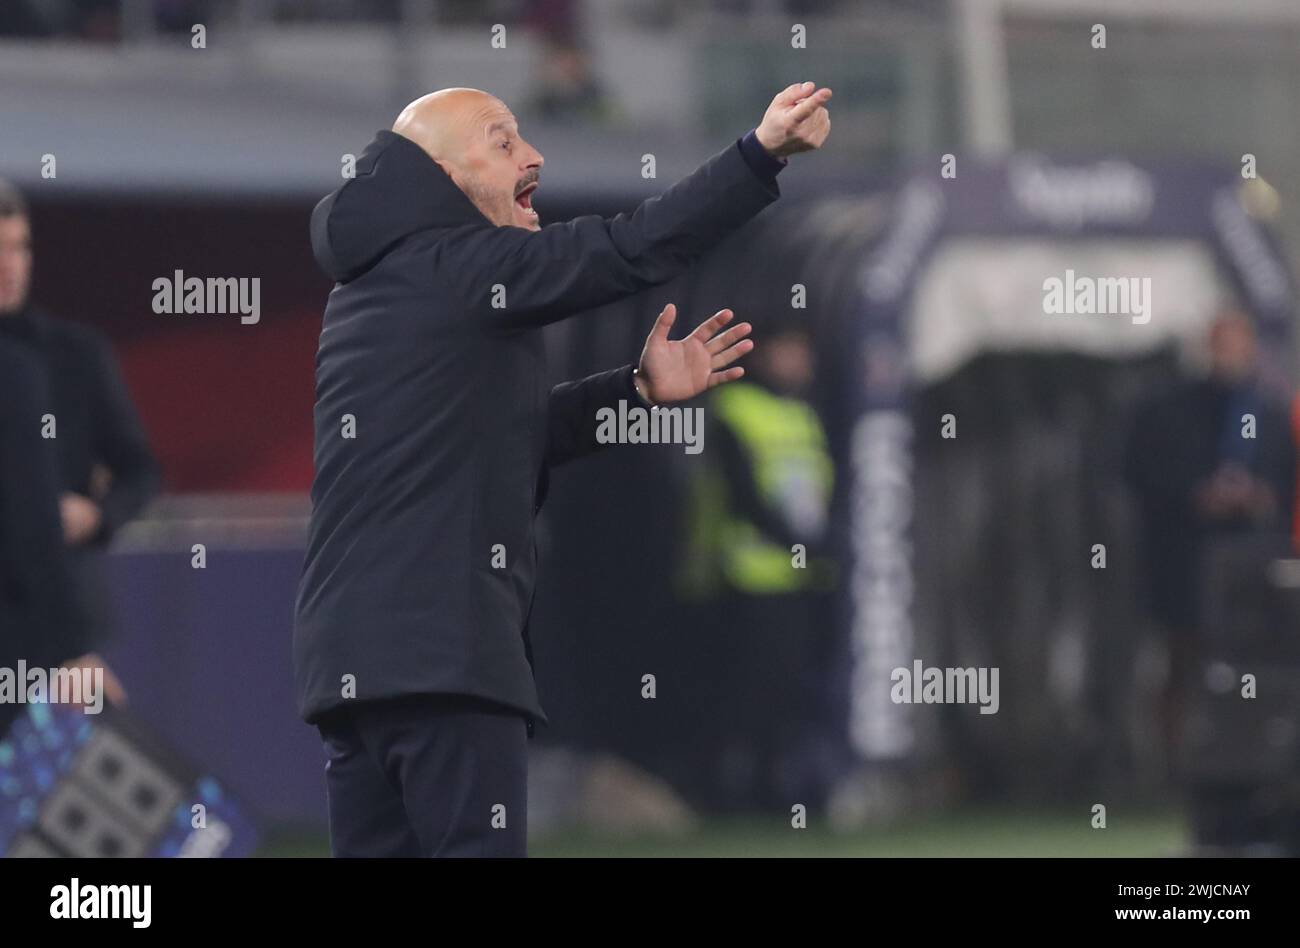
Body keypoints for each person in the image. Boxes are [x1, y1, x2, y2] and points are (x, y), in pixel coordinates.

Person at [295, 83, 833, 856]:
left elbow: (501, 437)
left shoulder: (369, 285)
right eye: (503, 140)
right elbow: (629, 249)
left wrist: (636, 391)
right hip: (443, 653)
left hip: (351, 665)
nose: (533, 155)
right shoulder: (461, 264)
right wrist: (759, 155)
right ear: (444, 175)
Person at [0, 180, 157, 699]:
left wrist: (97, 515)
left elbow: (140, 469)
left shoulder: (72, 356)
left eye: (19, 247)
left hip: (51, 619)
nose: (10, 265)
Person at [676, 325, 838, 810]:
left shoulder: (804, 414)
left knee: (786, 695)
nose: (800, 363)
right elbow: (744, 500)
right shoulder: (735, 411)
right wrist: (805, 544)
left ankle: (772, 794)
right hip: (744, 578)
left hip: (796, 578)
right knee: (741, 696)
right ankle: (719, 795)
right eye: (791, 350)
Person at [1126, 309, 1296, 756]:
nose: (1230, 356)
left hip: (1256, 564)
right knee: (1185, 664)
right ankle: (1176, 766)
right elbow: (1146, 473)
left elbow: (1282, 478)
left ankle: (1249, 760)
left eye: (1238, 344)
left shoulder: (1269, 412)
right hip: (1189, 564)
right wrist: (1197, 495)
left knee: (1252, 670)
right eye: (1222, 345)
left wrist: (1261, 497)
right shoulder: (1172, 409)